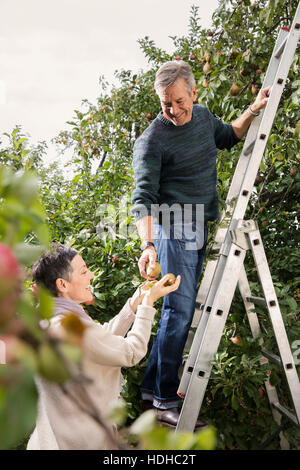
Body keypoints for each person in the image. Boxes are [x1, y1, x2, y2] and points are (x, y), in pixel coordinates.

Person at [131, 60, 270, 427]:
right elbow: (142, 199)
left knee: (176, 312)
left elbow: (230, 136)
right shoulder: (152, 140)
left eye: (179, 101)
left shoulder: (205, 118)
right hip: (170, 231)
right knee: (178, 313)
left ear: (194, 92)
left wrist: (253, 109)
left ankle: (149, 392)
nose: (173, 111)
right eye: (166, 104)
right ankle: (163, 402)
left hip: (197, 228)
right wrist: (148, 246)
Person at [26, 243, 180, 450]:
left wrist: (134, 304)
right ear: (62, 284)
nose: (91, 275)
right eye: (83, 271)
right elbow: (131, 352)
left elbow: (99, 340)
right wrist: (147, 304)